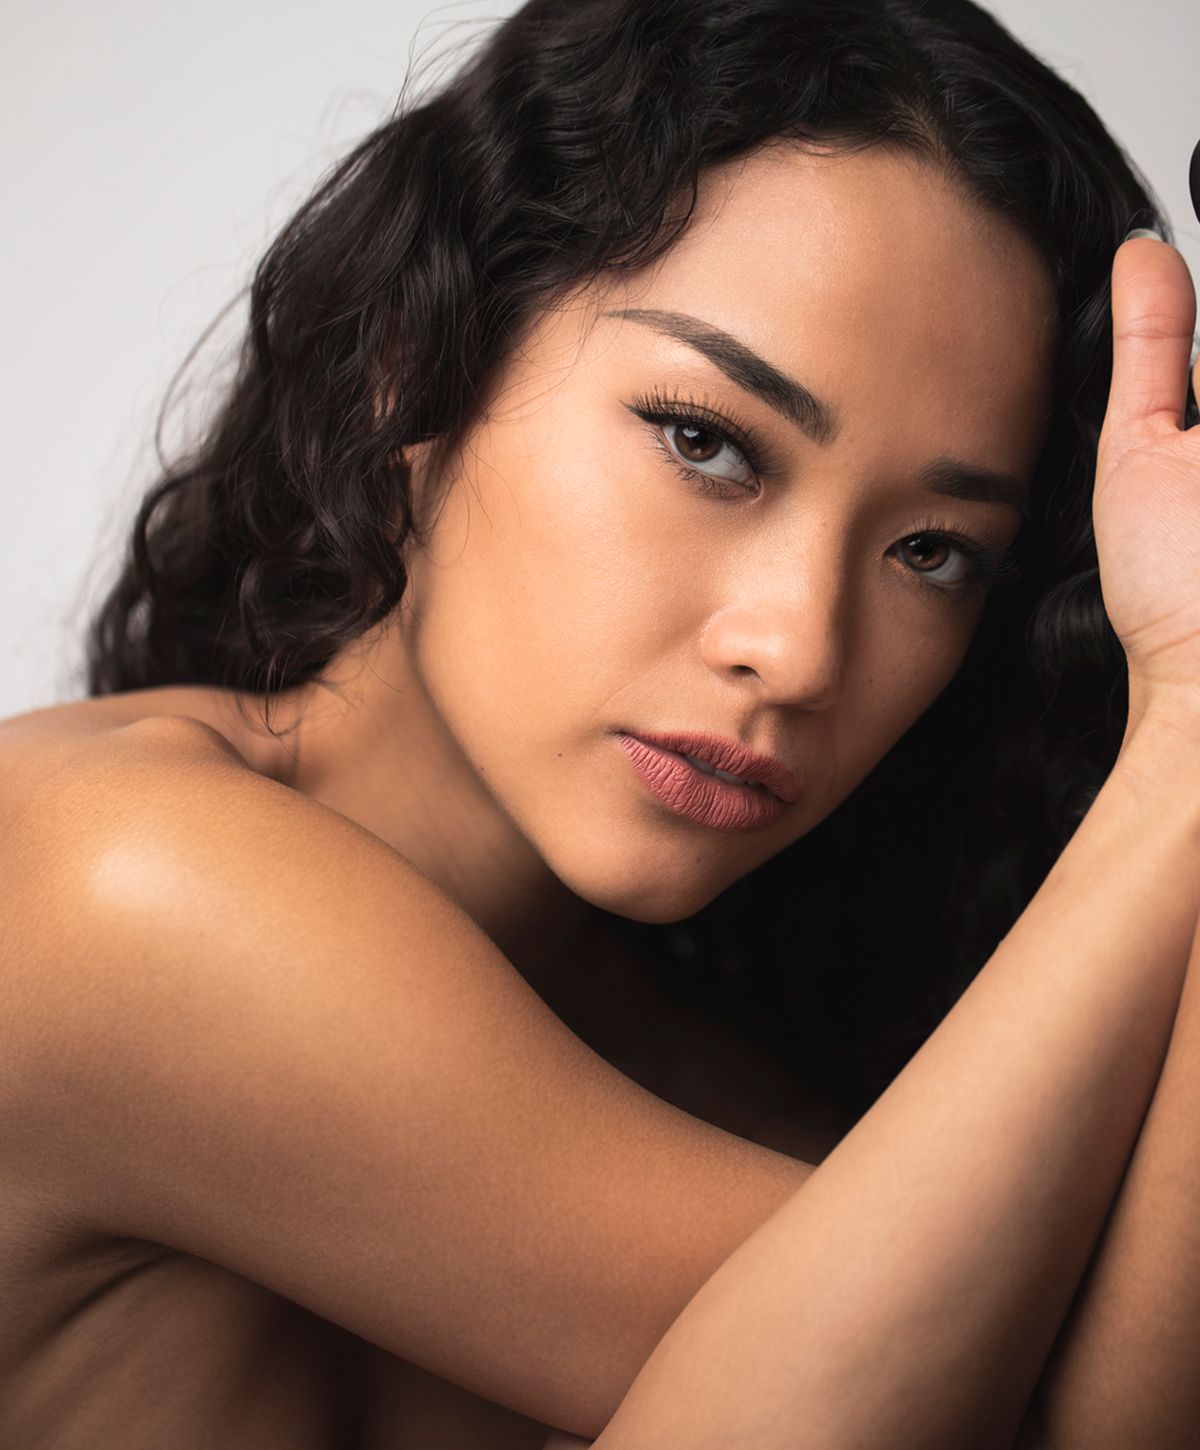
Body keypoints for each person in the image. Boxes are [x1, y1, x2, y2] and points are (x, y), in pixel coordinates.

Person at [2, 0, 1198, 1444]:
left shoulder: (709, 1090)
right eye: (708, 442)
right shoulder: (114, 882)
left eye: (932, 550)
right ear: (416, 360)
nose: (797, 647)